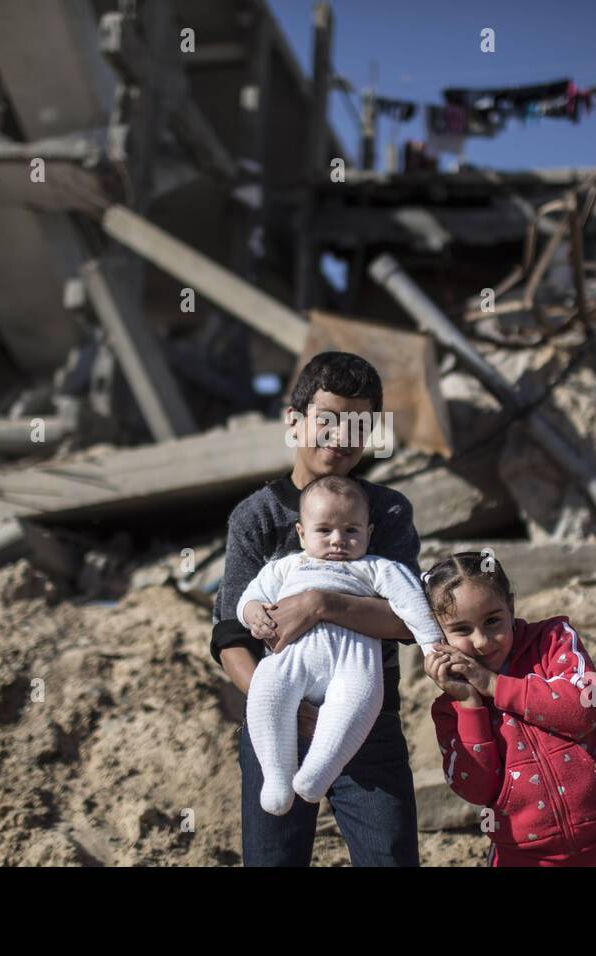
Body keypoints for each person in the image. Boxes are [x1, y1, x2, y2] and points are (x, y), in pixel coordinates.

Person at [211, 351, 421, 866]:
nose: (339, 436)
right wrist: (281, 704)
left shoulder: (385, 512)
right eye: (326, 420)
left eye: (357, 424)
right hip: (277, 726)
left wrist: (321, 603)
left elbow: (406, 620)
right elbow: (228, 635)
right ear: (294, 422)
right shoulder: (256, 517)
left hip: (368, 725)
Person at [238, 476, 442, 816]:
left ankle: (317, 774)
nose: (338, 541)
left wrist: (431, 645)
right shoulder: (288, 566)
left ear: (368, 532)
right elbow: (250, 596)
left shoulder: (375, 567)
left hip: (353, 661)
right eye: (324, 531)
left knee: (361, 698)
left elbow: (412, 603)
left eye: (351, 530)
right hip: (290, 658)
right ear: (302, 534)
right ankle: (276, 776)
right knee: (266, 691)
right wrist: (253, 612)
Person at [423, 552, 596, 867]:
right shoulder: (451, 708)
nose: (481, 642)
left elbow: (582, 711)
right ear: (439, 636)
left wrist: (495, 686)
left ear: (510, 606)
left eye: (492, 621)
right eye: (462, 630)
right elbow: (476, 788)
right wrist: (470, 704)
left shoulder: (553, 641)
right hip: (523, 854)